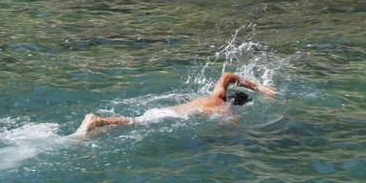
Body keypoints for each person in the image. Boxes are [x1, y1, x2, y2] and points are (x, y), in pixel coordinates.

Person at [73, 72, 277, 136]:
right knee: (135, 122)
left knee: (137, 120)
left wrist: (257, 87)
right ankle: (97, 121)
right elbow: (231, 123)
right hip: (170, 117)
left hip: (166, 110)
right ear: (236, 105)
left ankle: (101, 126)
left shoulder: (218, 95)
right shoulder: (223, 108)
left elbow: (227, 75)